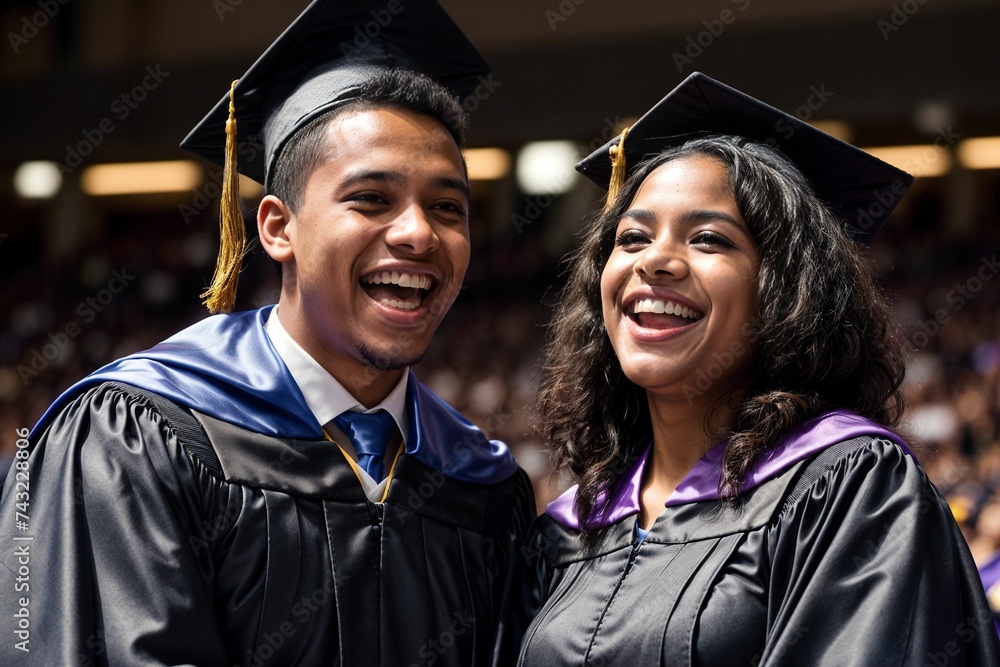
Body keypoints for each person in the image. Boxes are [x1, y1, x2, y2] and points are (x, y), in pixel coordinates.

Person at [0, 1, 534, 664]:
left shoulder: (480, 482)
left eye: (448, 207)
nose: (420, 232)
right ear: (278, 227)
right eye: (372, 198)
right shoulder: (140, 433)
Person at [496, 72, 1000, 666]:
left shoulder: (847, 493)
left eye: (708, 239)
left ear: (784, 291)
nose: (655, 260)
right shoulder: (566, 531)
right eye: (631, 237)